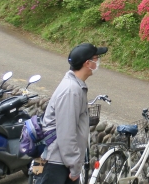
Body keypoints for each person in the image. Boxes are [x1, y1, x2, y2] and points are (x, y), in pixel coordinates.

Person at [38, 43, 107, 184]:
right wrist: (74, 167)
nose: (98, 61)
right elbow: (66, 132)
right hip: (57, 162)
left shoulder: (75, 86)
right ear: (88, 63)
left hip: (61, 161)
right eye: (96, 58)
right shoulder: (71, 91)